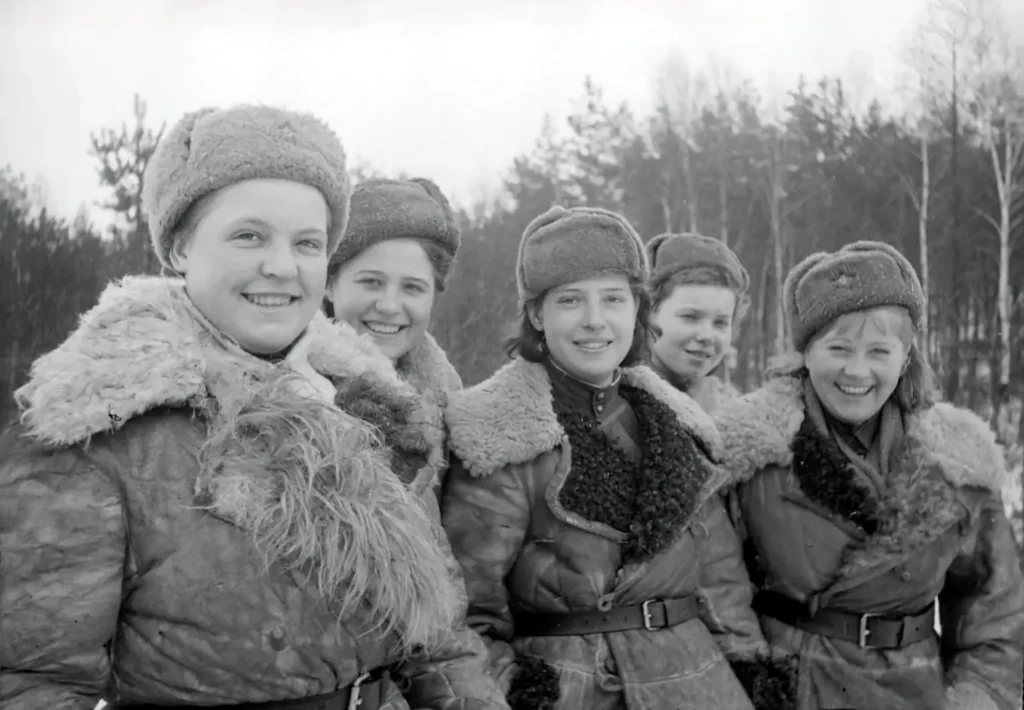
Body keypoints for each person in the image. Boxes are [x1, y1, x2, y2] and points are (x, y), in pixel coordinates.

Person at [0, 105, 507, 710]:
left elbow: (440, 643)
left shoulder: (369, 406)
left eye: (308, 243)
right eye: (249, 235)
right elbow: (35, 683)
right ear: (182, 247)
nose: (282, 266)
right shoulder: (94, 430)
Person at [440, 206, 797, 710]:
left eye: (613, 298)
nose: (594, 320)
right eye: (570, 300)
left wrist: (751, 673)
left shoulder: (679, 424)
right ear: (538, 315)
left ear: (637, 310)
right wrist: (517, 692)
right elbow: (466, 612)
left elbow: (721, 582)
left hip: (698, 683)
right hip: (573, 687)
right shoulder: (500, 437)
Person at [713, 241, 1024, 709]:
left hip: (916, 691)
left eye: (880, 350)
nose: (857, 370)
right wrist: (753, 681)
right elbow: (714, 588)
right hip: (793, 689)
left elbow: (994, 610)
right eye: (838, 348)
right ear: (805, 353)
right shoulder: (749, 451)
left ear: (906, 358)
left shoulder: (958, 463)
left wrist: (974, 698)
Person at [325, 177, 463, 511]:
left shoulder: (453, 408)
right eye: (371, 282)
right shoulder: (298, 391)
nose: (389, 305)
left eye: (412, 288)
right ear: (329, 284)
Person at [646, 232, 750, 413]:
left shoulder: (732, 410)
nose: (707, 336)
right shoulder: (613, 402)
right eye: (690, 317)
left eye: (720, 323)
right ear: (648, 313)